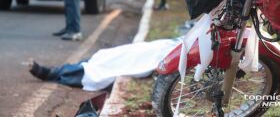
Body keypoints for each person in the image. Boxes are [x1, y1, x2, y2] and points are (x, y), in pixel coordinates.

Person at [29, 37, 183, 91]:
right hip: (159, 47)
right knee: (107, 56)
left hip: (156, 55)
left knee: (104, 67)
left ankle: (52, 73)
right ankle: (57, 72)